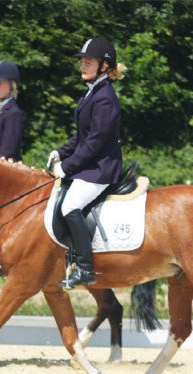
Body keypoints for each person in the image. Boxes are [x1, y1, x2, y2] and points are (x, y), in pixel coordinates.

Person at [47, 36, 127, 289]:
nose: (82, 66)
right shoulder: (92, 92)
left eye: (88, 62)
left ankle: (85, 267)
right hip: (91, 164)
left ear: (104, 66)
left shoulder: (105, 98)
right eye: (82, 62)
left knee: (69, 205)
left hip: (101, 168)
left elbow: (94, 143)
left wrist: (67, 167)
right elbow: (82, 137)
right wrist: (61, 152)